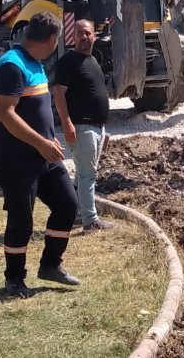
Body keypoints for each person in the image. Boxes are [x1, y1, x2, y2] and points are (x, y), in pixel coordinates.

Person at [0, 12, 81, 298]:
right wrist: (41, 142)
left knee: (68, 204)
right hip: (17, 158)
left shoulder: (36, 64)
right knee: (21, 220)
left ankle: (50, 266)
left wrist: (49, 137)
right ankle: (14, 279)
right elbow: (5, 114)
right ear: (52, 40)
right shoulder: (11, 65)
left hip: (43, 155)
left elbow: (35, 109)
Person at [53, 19, 115, 234]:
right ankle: (90, 221)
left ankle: (77, 214)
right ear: (73, 36)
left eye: (87, 32)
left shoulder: (92, 60)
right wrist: (66, 122)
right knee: (88, 176)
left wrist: (103, 130)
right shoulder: (68, 61)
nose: (83, 36)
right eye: (79, 33)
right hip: (81, 127)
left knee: (82, 174)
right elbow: (58, 92)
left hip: (96, 128)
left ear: (94, 36)